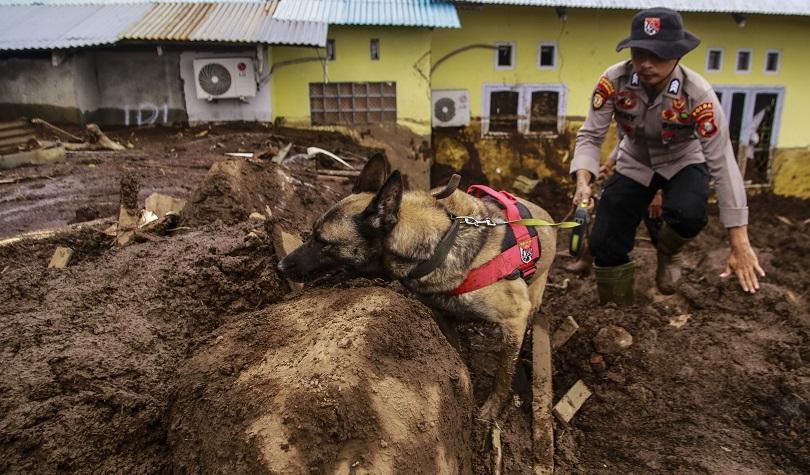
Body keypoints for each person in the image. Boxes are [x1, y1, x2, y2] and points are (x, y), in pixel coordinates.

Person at [570, 7, 765, 305]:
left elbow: (724, 165)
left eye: (658, 55)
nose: (646, 64)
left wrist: (739, 241)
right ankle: (618, 310)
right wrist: (583, 181)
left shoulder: (698, 95)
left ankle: (667, 252)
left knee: (688, 215)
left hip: (683, 160)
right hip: (634, 161)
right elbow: (590, 135)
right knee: (604, 243)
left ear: (678, 54)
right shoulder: (614, 81)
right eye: (639, 53)